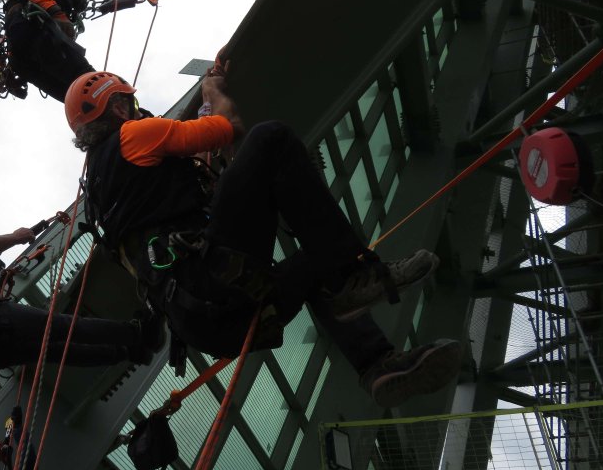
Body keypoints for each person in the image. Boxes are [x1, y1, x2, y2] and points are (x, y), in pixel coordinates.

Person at [64, 70, 463, 408]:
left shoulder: (103, 195)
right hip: (213, 278)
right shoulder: (134, 136)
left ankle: (377, 366)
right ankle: (352, 276)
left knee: (313, 263)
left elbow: (188, 182)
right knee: (270, 139)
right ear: (118, 107)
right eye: (129, 104)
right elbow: (227, 130)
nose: (136, 109)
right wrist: (213, 92)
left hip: (207, 322)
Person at [0, 205, 160, 370]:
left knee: (55, 351)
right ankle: (137, 334)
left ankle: (127, 353)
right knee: (61, 326)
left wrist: (4, 277)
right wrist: (16, 237)